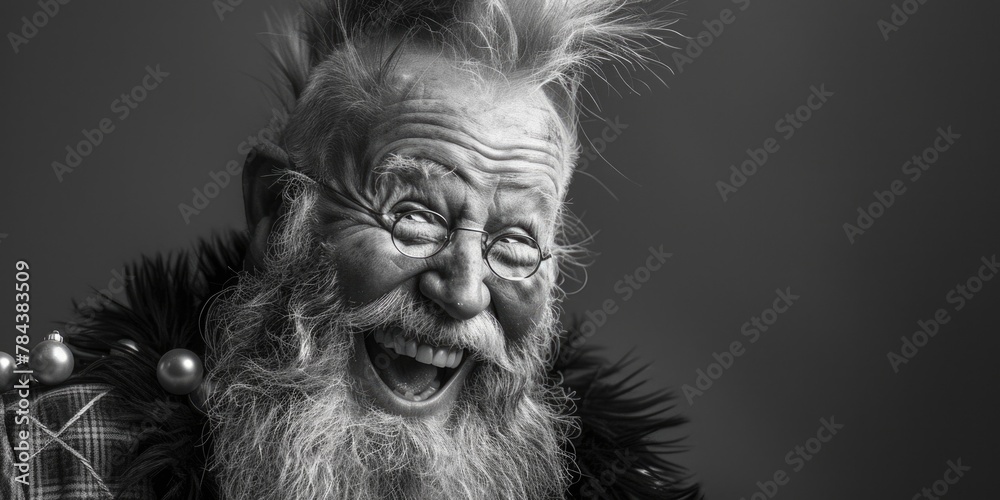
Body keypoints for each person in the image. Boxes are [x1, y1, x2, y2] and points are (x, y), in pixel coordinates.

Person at [1, 1, 701, 498]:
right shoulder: (50, 464)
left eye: (515, 243)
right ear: (279, 210)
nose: (462, 292)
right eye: (414, 217)